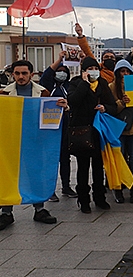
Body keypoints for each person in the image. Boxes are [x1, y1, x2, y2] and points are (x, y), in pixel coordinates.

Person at [0, 60, 64, 230]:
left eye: (24, 73)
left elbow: (51, 118)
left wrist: (62, 107)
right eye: (17, 73)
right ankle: (6, 212)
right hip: (12, 143)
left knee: (37, 174)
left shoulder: (43, 93)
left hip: (35, 142)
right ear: (12, 74)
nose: (21, 77)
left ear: (31, 74)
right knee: (9, 175)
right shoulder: (4, 95)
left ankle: (40, 209)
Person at [67, 57, 118, 213]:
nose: (94, 72)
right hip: (82, 131)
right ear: (84, 71)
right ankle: (83, 200)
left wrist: (105, 108)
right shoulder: (76, 83)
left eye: (96, 68)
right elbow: (73, 101)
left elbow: (113, 106)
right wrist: (85, 83)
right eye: (90, 69)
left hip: (98, 131)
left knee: (98, 167)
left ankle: (99, 197)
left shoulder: (102, 84)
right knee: (83, 167)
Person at [39, 51, 77, 201]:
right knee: (51, 160)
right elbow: (46, 75)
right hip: (50, 128)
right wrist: (59, 60)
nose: (61, 74)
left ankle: (66, 186)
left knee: (65, 158)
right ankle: (50, 190)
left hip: (66, 127)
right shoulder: (49, 85)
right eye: (59, 72)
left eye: (64, 72)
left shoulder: (69, 86)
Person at [109, 59, 133, 203]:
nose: (125, 74)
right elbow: (111, 108)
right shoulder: (111, 87)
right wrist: (122, 102)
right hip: (119, 127)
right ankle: (118, 187)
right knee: (120, 157)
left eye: (127, 71)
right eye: (122, 71)